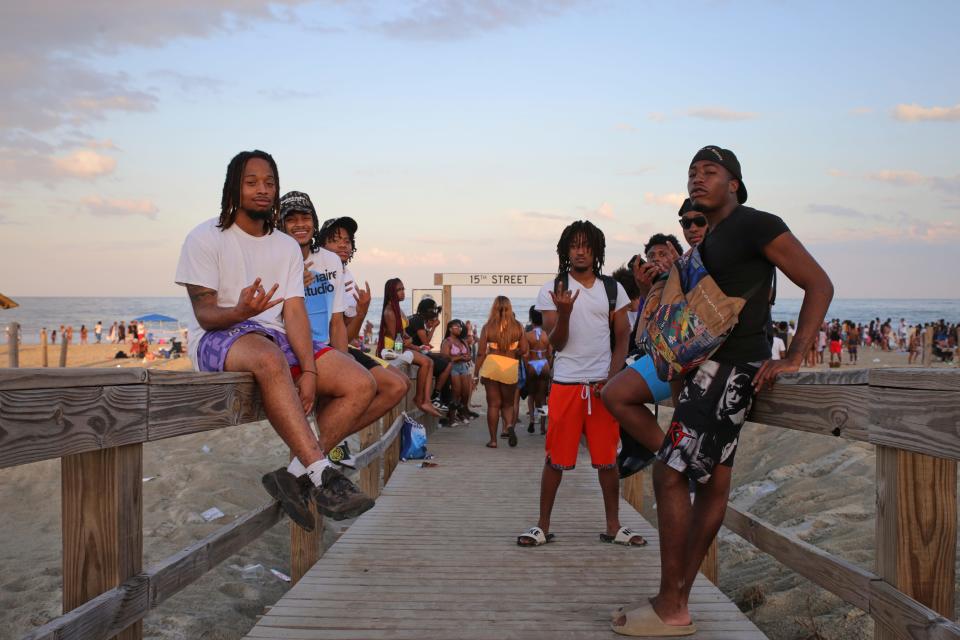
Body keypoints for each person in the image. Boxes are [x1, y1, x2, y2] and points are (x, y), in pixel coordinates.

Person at [611, 146, 832, 636]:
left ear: (734, 183)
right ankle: (676, 597)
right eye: (692, 172)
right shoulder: (707, 243)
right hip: (704, 370)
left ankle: (673, 607)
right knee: (709, 483)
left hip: (730, 370)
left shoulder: (756, 223)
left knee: (670, 475)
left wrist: (793, 355)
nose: (697, 179)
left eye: (710, 172)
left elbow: (818, 283)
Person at [174, 149, 376, 532]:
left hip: (275, 334)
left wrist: (312, 370)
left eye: (269, 183)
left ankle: (292, 475)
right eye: (252, 183)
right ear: (234, 188)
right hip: (219, 335)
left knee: (359, 383)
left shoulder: (284, 247)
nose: (262, 190)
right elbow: (204, 312)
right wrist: (240, 312)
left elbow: (295, 313)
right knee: (269, 358)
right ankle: (323, 474)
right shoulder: (204, 237)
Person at [518, 220, 640, 549]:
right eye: (574, 245)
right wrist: (565, 313)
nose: (580, 250)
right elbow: (556, 344)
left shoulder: (613, 289)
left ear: (597, 250)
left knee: (607, 460)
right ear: (566, 250)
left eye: (586, 245)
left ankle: (613, 526)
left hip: (602, 385)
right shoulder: (553, 289)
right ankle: (542, 525)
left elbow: (623, 337)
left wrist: (613, 378)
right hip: (566, 384)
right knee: (555, 459)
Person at [282, 196, 409, 468]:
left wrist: (340, 360)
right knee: (326, 405)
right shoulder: (276, 260)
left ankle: (312, 459)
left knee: (384, 385)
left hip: (327, 348)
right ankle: (317, 460)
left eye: (347, 240)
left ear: (314, 224)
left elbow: (337, 322)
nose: (343, 244)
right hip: (290, 348)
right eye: (291, 219)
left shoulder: (332, 264)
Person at [601, 232, 680, 478]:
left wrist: (679, 273)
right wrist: (646, 290)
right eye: (650, 256)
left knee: (616, 389)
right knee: (614, 386)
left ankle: (663, 455)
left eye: (663, 254)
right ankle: (649, 450)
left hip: (680, 357)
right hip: (661, 356)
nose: (655, 260)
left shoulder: (688, 275)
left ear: (676, 256)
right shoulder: (651, 290)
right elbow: (643, 335)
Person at [378, 278, 442, 417]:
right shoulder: (389, 312)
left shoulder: (398, 308)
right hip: (392, 349)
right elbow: (397, 340)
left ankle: (425, 400)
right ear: (391, 293)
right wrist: (413, 345)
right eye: (399, 290)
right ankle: (421, 399)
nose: (402, 292)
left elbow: (403, 333)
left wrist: (414, 345)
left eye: (403, 289)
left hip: (402, 345)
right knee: (426, 362)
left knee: (429, 362)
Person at [476, 296, 528, 448]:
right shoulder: (518, 326)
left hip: (492, 365)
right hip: (509, 366)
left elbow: (480, 353)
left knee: (493, 405)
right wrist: (515, 350)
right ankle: (509, 425)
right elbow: (524, 350)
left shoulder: (487, 327)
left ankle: (493, 441)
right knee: (508, 404)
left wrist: (475, 374)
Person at [407, 298, 454, 415]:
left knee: (445, 358)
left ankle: (441, 399)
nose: (434, 315)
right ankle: (435, 396)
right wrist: (434, 327)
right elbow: (426, 343)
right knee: (447, 365)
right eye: (432, 311)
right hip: (414, 352)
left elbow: (423, 344)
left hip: (417, 351)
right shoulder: (418, 320)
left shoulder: (416, 318)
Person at [523, 307, 552, 434]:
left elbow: (525, 354)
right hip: (544, 364)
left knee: (531, 395)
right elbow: (550, 354)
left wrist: (526, 367)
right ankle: (542, 426)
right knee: (543, 397)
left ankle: (531, 420)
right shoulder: (548, 335)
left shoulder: (528, 335)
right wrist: (549, 367)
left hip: (532, 364)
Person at [440, 319, 473, 424]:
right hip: (453, 367)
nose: (459, 329)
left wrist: (466, 358)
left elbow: (468, 355)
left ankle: (461, 412)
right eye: (457, 327)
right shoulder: (447, 342)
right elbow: (444, 358)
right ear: (450, 329)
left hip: (463, 366)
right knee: (456, 392)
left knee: (466, 392)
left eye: (460, 327)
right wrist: (459, 357)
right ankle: (452, 417)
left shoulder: (463, 341)